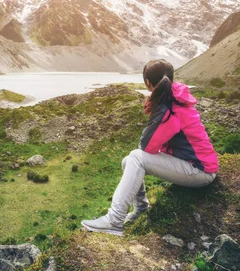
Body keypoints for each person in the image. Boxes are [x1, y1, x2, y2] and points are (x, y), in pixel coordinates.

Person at [81, 59, 219, 236]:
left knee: (137, 157)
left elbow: (146, 146)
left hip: (200, 171)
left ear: (147, 83)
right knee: (129, 160)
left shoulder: (168, 107)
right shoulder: (175, 98)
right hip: (197, 165)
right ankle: (141, 208)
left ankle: (114, 221)